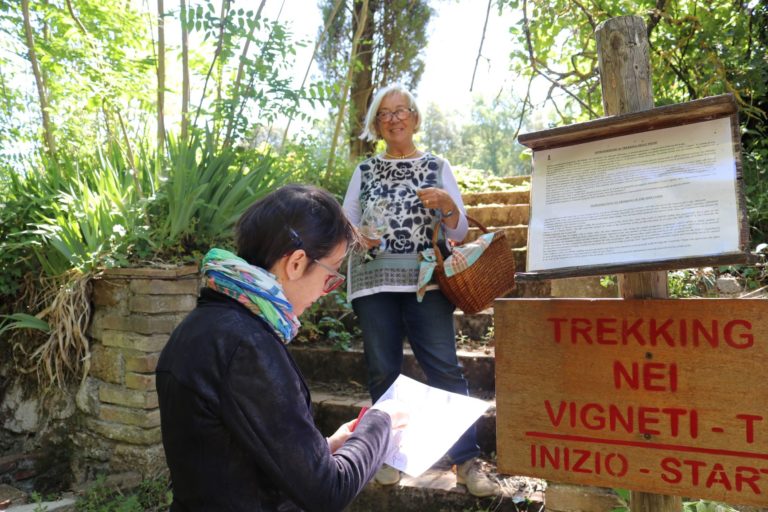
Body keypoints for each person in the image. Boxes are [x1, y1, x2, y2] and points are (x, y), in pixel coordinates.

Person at [156, 184, 408, 512]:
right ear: (296, 263)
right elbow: (328, 492)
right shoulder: (247, 347)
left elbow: (230, 456)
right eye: (331, 275)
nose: (326, 292)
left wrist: (326, 449)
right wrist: (381, 420)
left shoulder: (202, 325)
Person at [342, 84, 500, 497]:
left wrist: (448, 204)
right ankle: (388, 455)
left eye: (401, 111)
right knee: (382, 371)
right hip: (373, 282)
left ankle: (465, 460)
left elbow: (461, 229)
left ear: (414, 117)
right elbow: (346, 225)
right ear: (376, 125)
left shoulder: (436, 165)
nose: (394, 119)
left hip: (426, 282)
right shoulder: (364, 172)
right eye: (385, 114)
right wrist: (361, 237)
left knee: (444, 368)